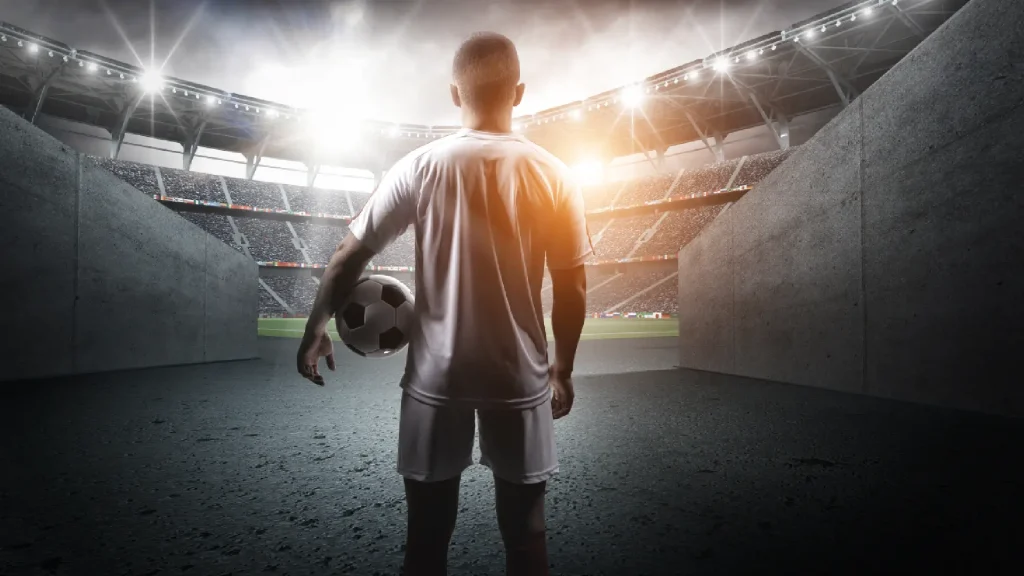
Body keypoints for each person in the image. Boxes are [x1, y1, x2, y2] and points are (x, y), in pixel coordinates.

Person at [296, 31, 591, 576]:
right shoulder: (554, 174)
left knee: (427, 536)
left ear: (455, 94)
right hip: (519, 375)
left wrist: (317, 324)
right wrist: (563, 368)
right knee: (526, 533)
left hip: (435, 377)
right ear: (519, 92)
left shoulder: (419, 166)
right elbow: (571, 285)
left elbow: (347, 255)